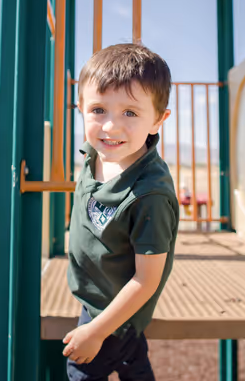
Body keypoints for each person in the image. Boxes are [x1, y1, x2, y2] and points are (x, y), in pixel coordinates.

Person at [62, 43, 179, 380]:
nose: (110, 127)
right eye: (98, 109)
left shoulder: (149, 195)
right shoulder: (95, 154)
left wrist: (96, 331)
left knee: (80, 369)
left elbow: (146, 280)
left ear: (158, 120)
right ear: (81, 107)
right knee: (133, 366)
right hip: (97, 294)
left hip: (113, 312)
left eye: (130, 113)